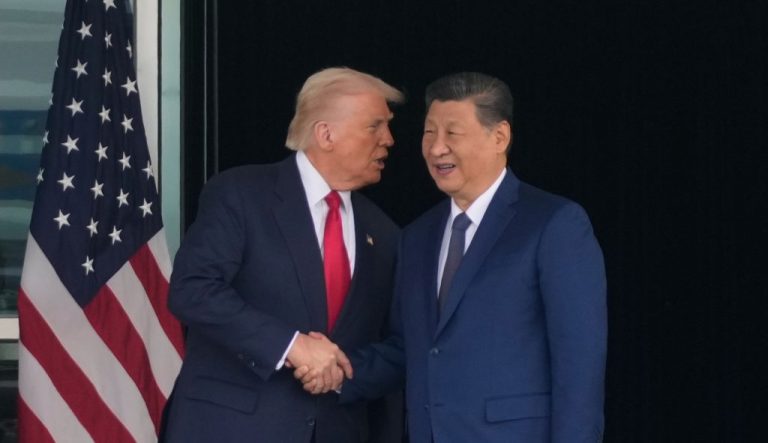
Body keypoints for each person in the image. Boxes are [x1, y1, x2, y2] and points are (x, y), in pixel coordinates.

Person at [303, 72, 607, 442]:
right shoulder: (416, 237)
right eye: (429, 132)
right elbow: (407, 349)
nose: (436, 148)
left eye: (452, 133)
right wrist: (333, 372)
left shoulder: (553, 224)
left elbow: (579, 369)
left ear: (500, 137)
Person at [163, 67, 405, 443]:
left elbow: (396, 346)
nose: (388, 139)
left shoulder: (385, 232)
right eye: (375, 126)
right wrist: (292, 346)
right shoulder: (241, 194)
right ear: (326, 134)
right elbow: (193, 290)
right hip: (231, 429)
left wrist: (340, 372)